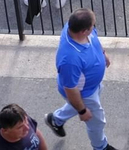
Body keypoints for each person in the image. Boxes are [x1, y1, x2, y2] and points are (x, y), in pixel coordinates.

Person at [44, 9, 111, 148]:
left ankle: (56, 120)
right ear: (84, 31)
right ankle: (101, 147)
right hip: (84, 93)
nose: (94, 27)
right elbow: (70, 89)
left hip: (92, 87)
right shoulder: (69, 59)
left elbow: (95, 40)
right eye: (93, 25)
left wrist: (103, 54)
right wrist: (82, 111)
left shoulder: (74, 27)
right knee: (96, 122)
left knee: (78, 105)